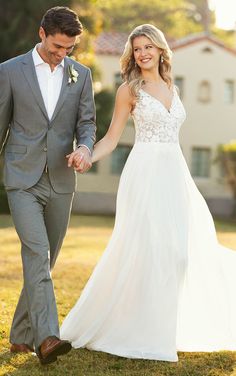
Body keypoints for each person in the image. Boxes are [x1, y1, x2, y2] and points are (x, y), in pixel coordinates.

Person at [61, 24, 236, 362]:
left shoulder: (171, 86)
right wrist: (86, 154)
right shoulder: (130, 90)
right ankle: (141, 332)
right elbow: (112, 139)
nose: (142, 53)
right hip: (145, 172)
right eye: (137, 48)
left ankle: (166, 326)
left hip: (175, 174)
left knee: (181, 253)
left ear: (159, 50)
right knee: (147, 249)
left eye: (148, 47)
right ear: (133, 54)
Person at [0, 6, 96, 365]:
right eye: (57, 46)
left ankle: (21, 336)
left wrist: (85, 147)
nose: (62, 54)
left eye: (68, 49)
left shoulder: (81, 75)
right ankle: (47, 338)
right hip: (22, 179)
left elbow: (86, 122)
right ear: (42, 34)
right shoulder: (9, 72)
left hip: (61, 179)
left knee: (46, 260)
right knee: (37, 253)